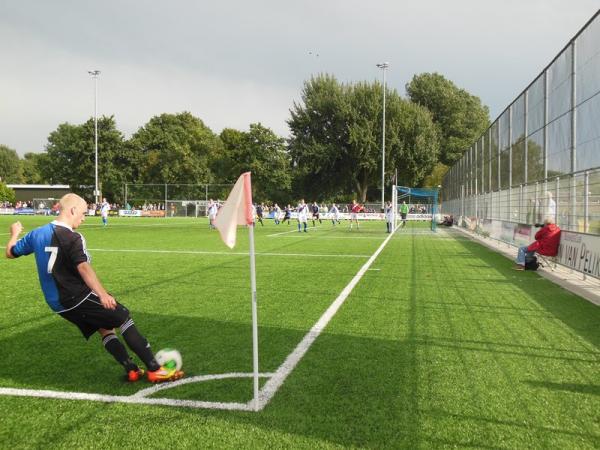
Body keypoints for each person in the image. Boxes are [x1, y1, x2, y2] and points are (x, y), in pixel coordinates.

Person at [5, 193, 183, 383]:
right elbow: (83, 267)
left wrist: (14, 233)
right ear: (72, 210)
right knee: (123, 317)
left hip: (57, 304)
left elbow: (10, 252)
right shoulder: (74, 238)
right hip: (76, 296)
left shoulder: (36, 234)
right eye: (83, 213)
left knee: (105, 329)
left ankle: (131, 369)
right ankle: (155, 369)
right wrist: (102, 294)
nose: (84, 218)